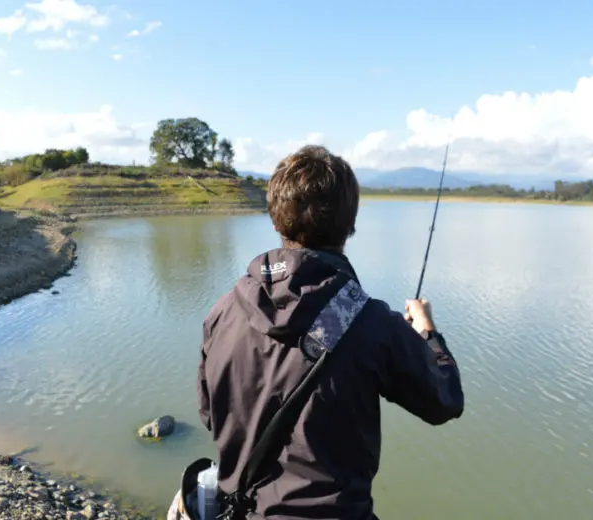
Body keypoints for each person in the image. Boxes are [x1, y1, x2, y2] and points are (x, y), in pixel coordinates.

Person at [197, 145, 464, 520]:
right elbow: (445, 400)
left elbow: (211, 414)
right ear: (351, 225)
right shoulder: (373, 323)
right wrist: (427, 332)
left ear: (276, 220)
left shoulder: (221, 313)